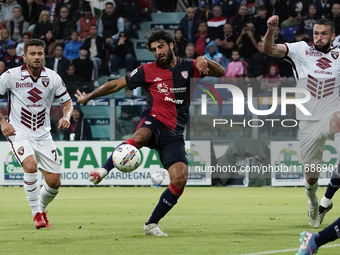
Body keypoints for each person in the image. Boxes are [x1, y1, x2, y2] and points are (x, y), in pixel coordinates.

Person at [75, 29, 225, 236]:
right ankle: (104, 170)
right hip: (153, 120)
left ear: (171, 45)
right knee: (140, 137)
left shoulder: (189, 67)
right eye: (154, 49)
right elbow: (115, 85)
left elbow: (221, 72)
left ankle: (151, 224)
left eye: (161, 46)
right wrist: (88, 97)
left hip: (174, 132)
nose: (158, 52)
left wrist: (203, 59)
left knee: (180, 179)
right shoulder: (147, 70)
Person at [263, 15, 340, 229]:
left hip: (331, 116)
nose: (319, 37)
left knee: (338, 119)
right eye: (316, 33)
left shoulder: (339, 56)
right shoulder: (300, 49)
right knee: (311, 179)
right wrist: (271, 30)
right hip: (307, 121)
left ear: (332, 36)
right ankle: (315, 202)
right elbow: (268, 49)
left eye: (324, 34)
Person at [0, 39, 73, 229]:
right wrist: (2, 121)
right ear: (24, 56)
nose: (37, 57)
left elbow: (68, 102)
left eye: (40, 53)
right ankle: (36, 215)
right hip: (19, 132)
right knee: (30, 166)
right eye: (32, 53)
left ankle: (41, 208)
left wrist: (67, 116)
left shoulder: (53, 77)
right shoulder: (11, 76)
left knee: (54, 183)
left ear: (43, 56)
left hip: (43, 135)